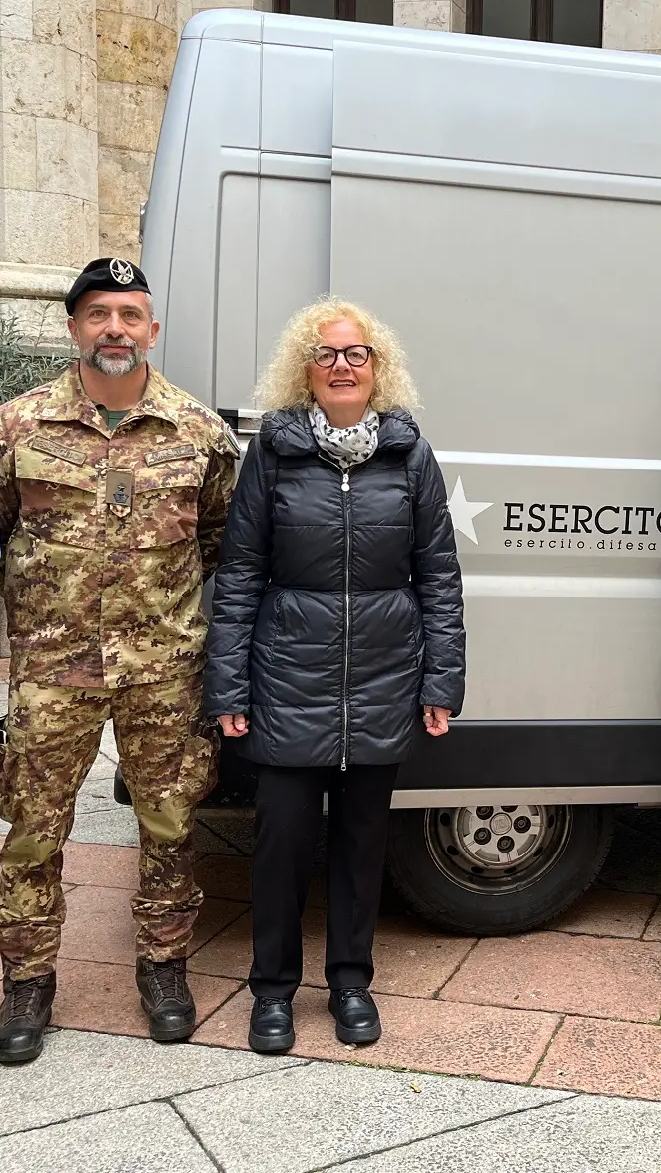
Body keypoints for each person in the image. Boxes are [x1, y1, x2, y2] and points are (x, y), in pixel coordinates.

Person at [0, 258, 237, 1062]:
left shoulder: (199, 434)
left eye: (130, 314)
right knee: (33, 830)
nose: (115, 329)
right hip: (53, 673)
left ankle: (164, 967)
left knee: (168, 826)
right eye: (98, 314)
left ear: (152, 330)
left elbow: (219, 544)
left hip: (163, 672)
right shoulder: (17, 427)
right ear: (74, 327)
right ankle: (27, 980)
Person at [204, 297, 464, 1055]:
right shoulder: (274, 454)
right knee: (281, 847)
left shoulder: (409, 454)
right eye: (327, 354)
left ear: (376, 368)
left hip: (383, 683)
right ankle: (273, 993)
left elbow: (438, 576)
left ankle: (351, 984)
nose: (342, 366)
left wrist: (440, 681)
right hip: (288, 681)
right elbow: (241, 572)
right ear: (305, 370)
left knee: (361, 846)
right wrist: (228, 686)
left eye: (356, 354)